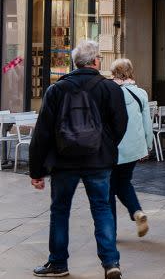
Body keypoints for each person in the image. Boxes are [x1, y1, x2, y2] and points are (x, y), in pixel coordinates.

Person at [28, 41, 128, 279]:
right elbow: (120, 125)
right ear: (95, 62)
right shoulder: (110, 89)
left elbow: (42, 132)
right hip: (99, 161)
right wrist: (106, 146)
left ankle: (58, 263)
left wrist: (36, 170)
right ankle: (110, 262)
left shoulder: (57, 89)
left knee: (60, 211)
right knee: (102, 209)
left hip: (64, 162)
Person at [109, 58, 153, 238]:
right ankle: (136, 211)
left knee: (109, 190)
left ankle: (110, 231)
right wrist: (148, 145)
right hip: (134, 149)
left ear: (114, 74)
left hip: (114, 149)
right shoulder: (140, 93)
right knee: (124, 182)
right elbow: (146, 123)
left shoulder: (111, 93)